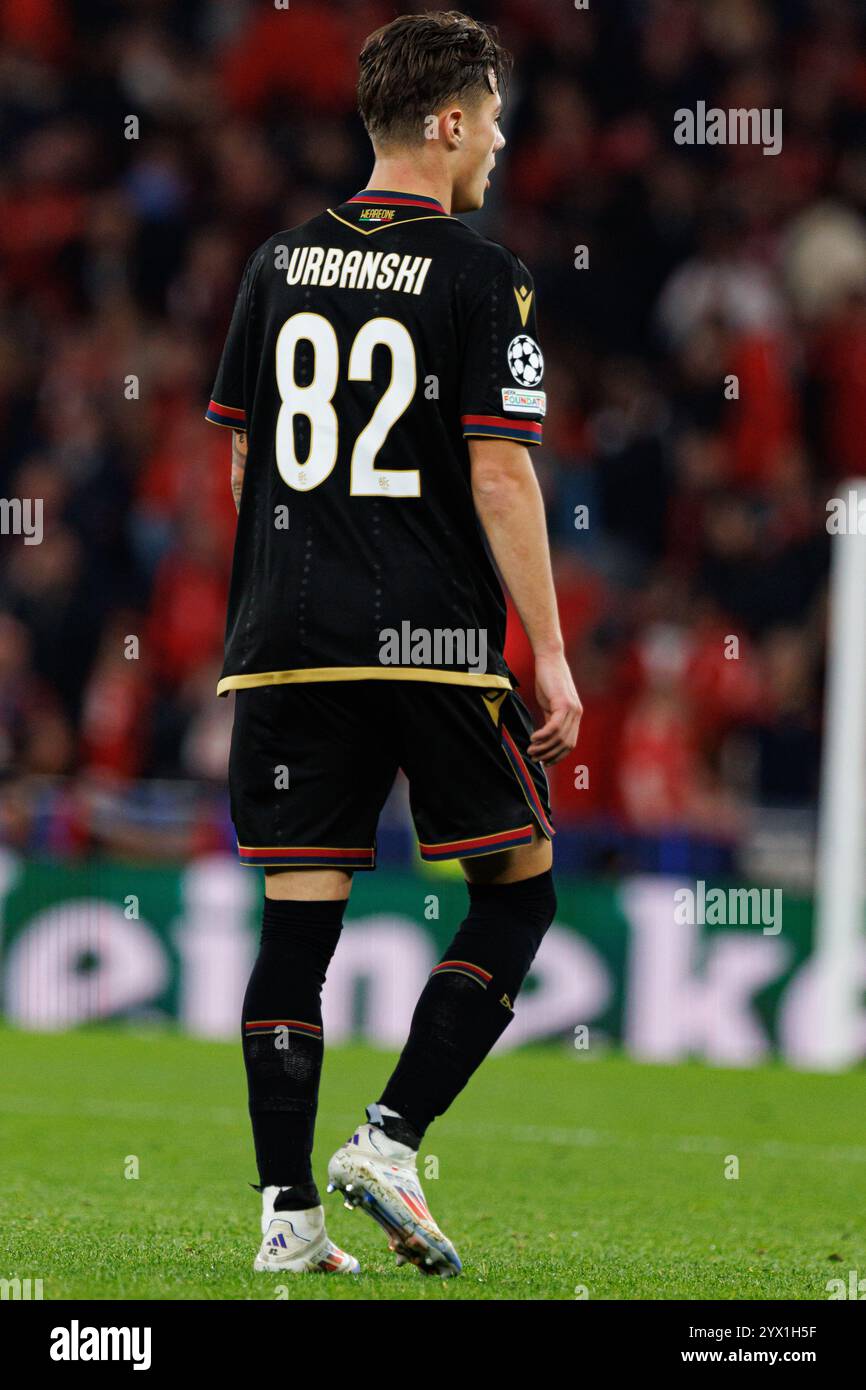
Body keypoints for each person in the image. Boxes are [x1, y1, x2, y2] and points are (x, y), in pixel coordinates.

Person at [206, 10, 581, 1279]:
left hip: (283, 639)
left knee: (295, 924)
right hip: (424, 638)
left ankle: (283, 1217)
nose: (500, 141)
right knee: (519, 890)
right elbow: (499, 475)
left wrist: (285, 587)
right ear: (448, 121)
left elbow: (248, 458)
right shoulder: (484, 274)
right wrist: (553, 650)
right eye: (493, 116)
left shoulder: (274, 264)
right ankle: (387, 1137)